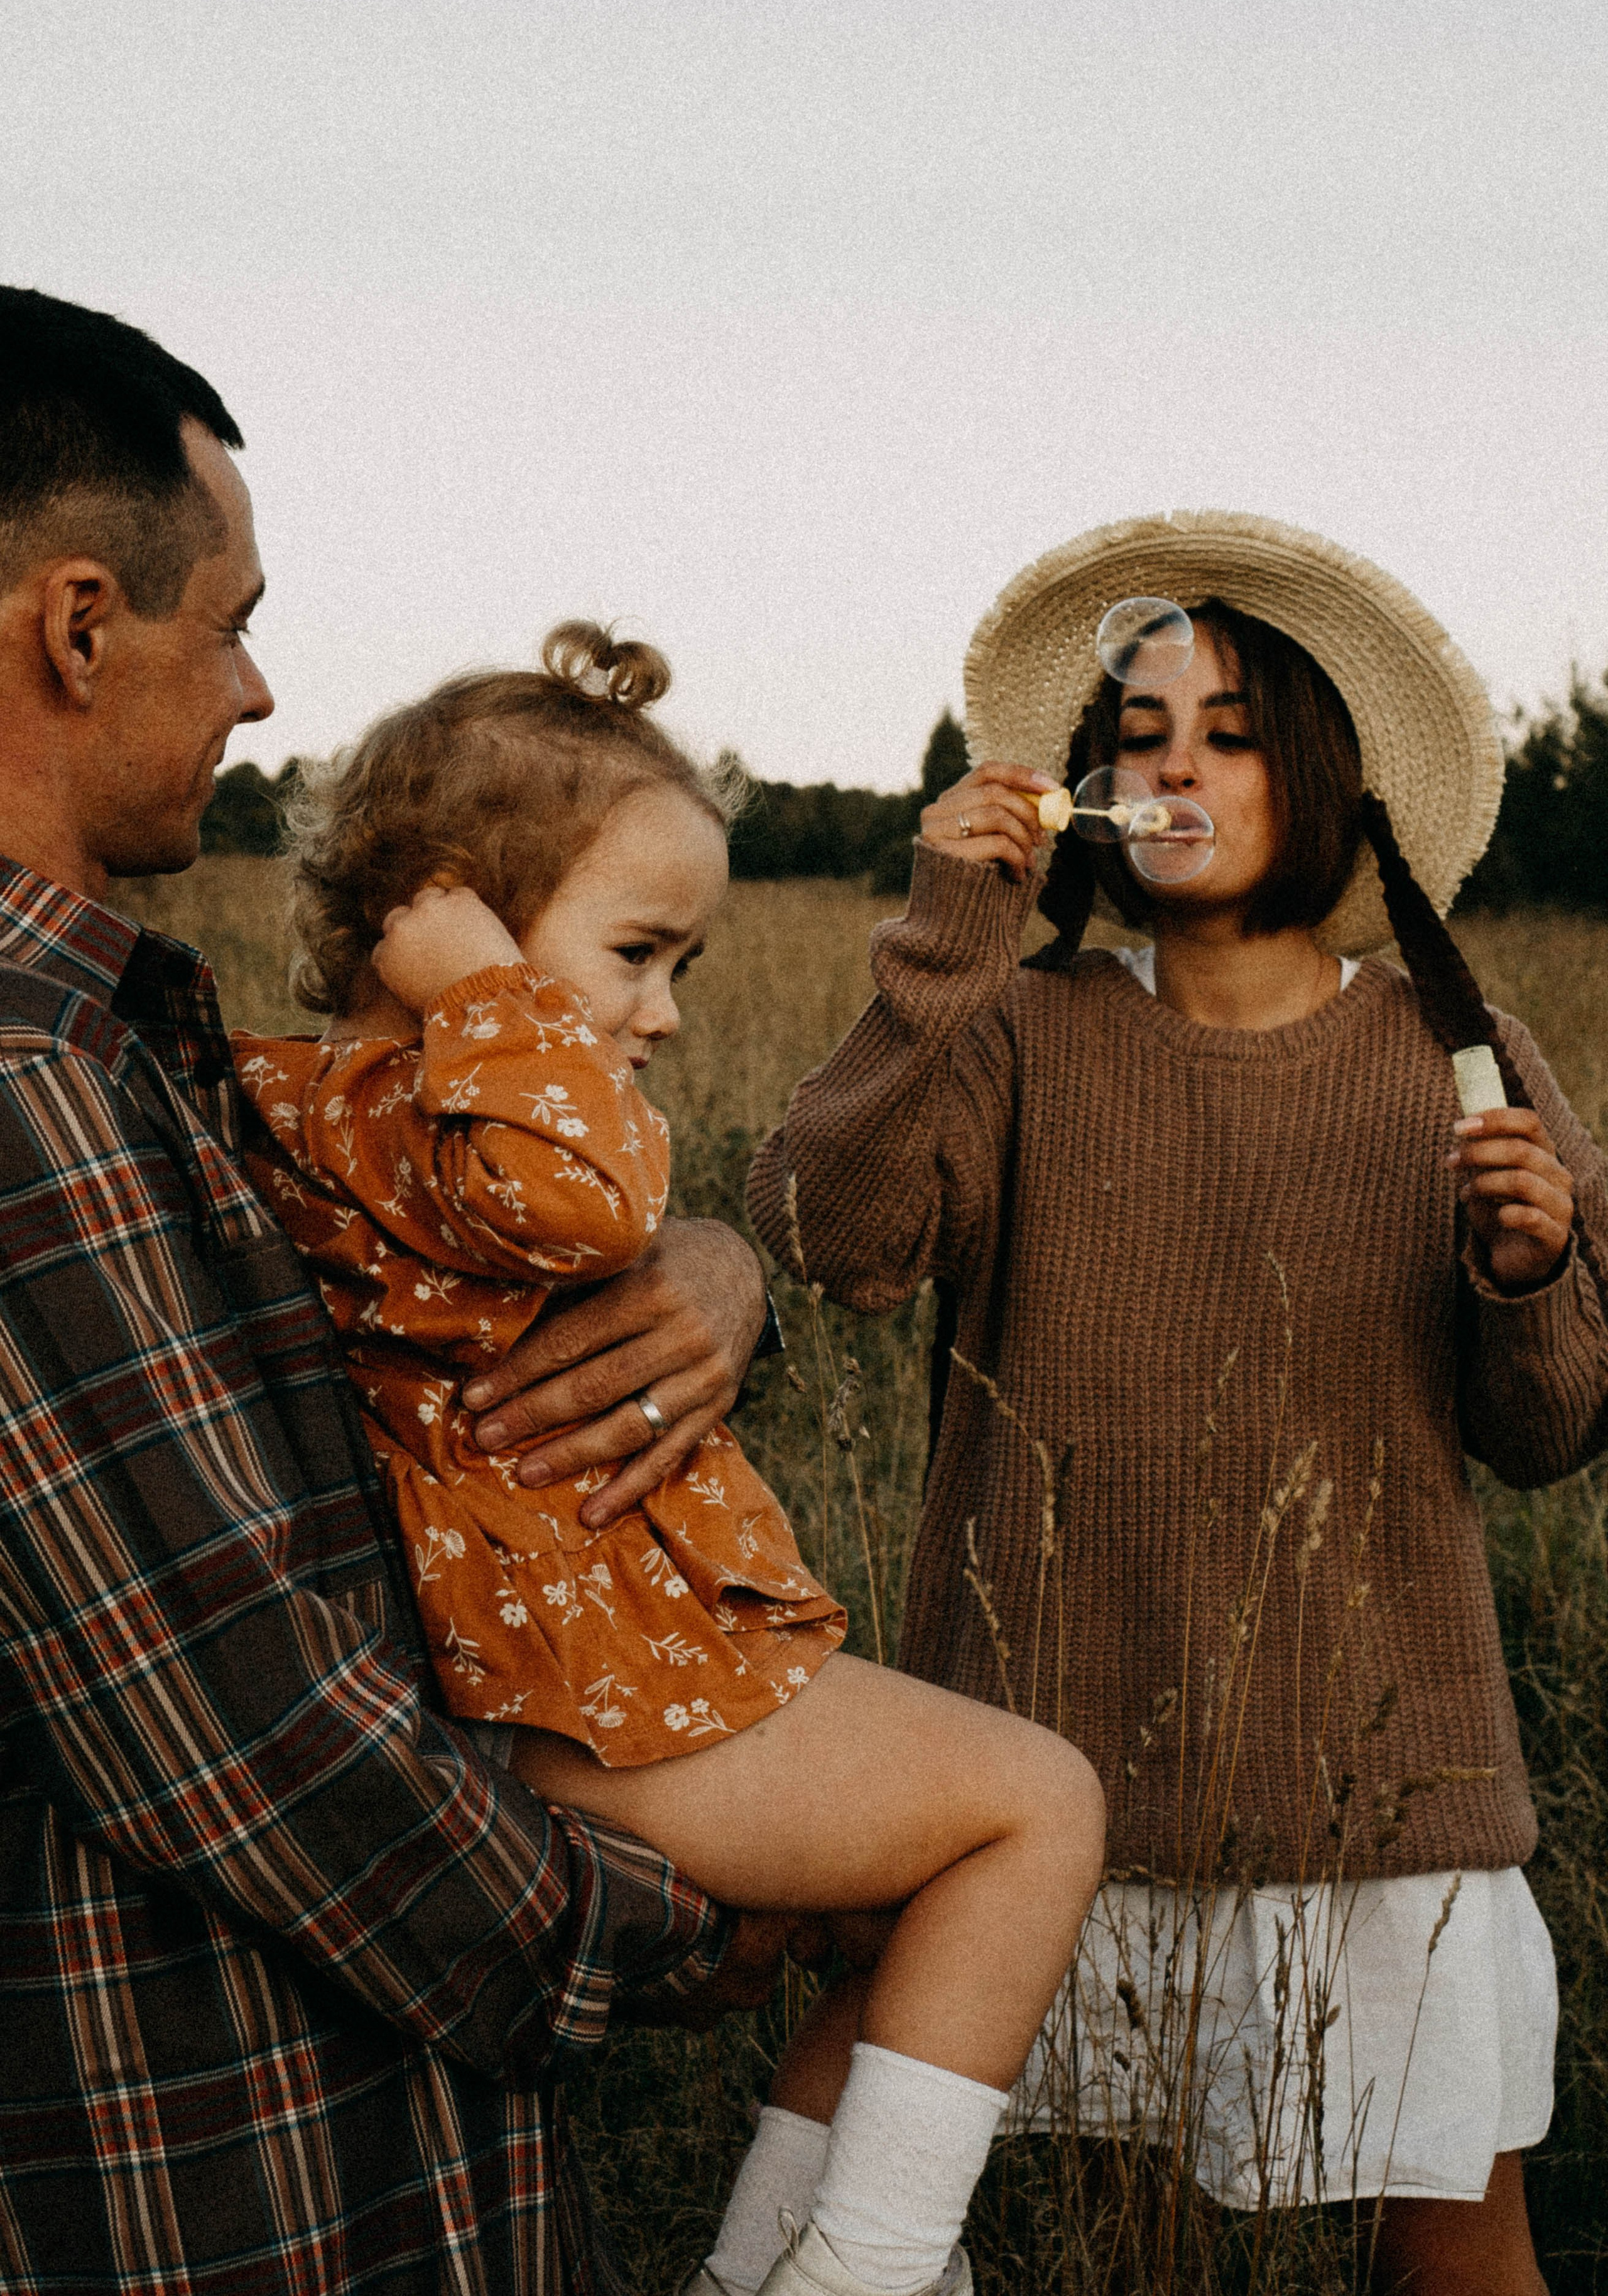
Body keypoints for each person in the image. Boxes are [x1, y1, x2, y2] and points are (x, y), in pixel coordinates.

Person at [0, 282, 803, 2296]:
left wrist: (704, 1269)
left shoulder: (148, 1045)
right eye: (234, 621)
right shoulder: (25, 1088)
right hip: (231, 2193)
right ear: (80, 626)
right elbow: (246, 1734)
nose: (264, 694)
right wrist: (686, 1926)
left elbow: (437, 1336)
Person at [747, 513, 1608, 2296]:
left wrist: (1529, 1276)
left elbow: (1546, 1433)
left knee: (1458, 2249)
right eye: (1140, 734)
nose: (1176, 767)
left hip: (1388, 1815)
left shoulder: (1456, 1049)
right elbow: (833, 1235)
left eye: (1226, 732)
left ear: (1325, 778)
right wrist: (944, 939)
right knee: (885, 2231)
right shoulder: (1016, 1033)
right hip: (1027, 1802)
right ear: (1082, 788)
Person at [232, 638, 1106, 2296]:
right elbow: (602, 1205)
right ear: (446, 918)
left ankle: (789, 2261)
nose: (667, 1010)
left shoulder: (399, 1110)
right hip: (581, 1694)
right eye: (635, 952)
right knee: (1039, 1808)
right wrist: (491, 996)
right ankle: (864, 2272)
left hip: (599, 1672)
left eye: (680, 959)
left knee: (917, 1906)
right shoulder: (425, 1107)